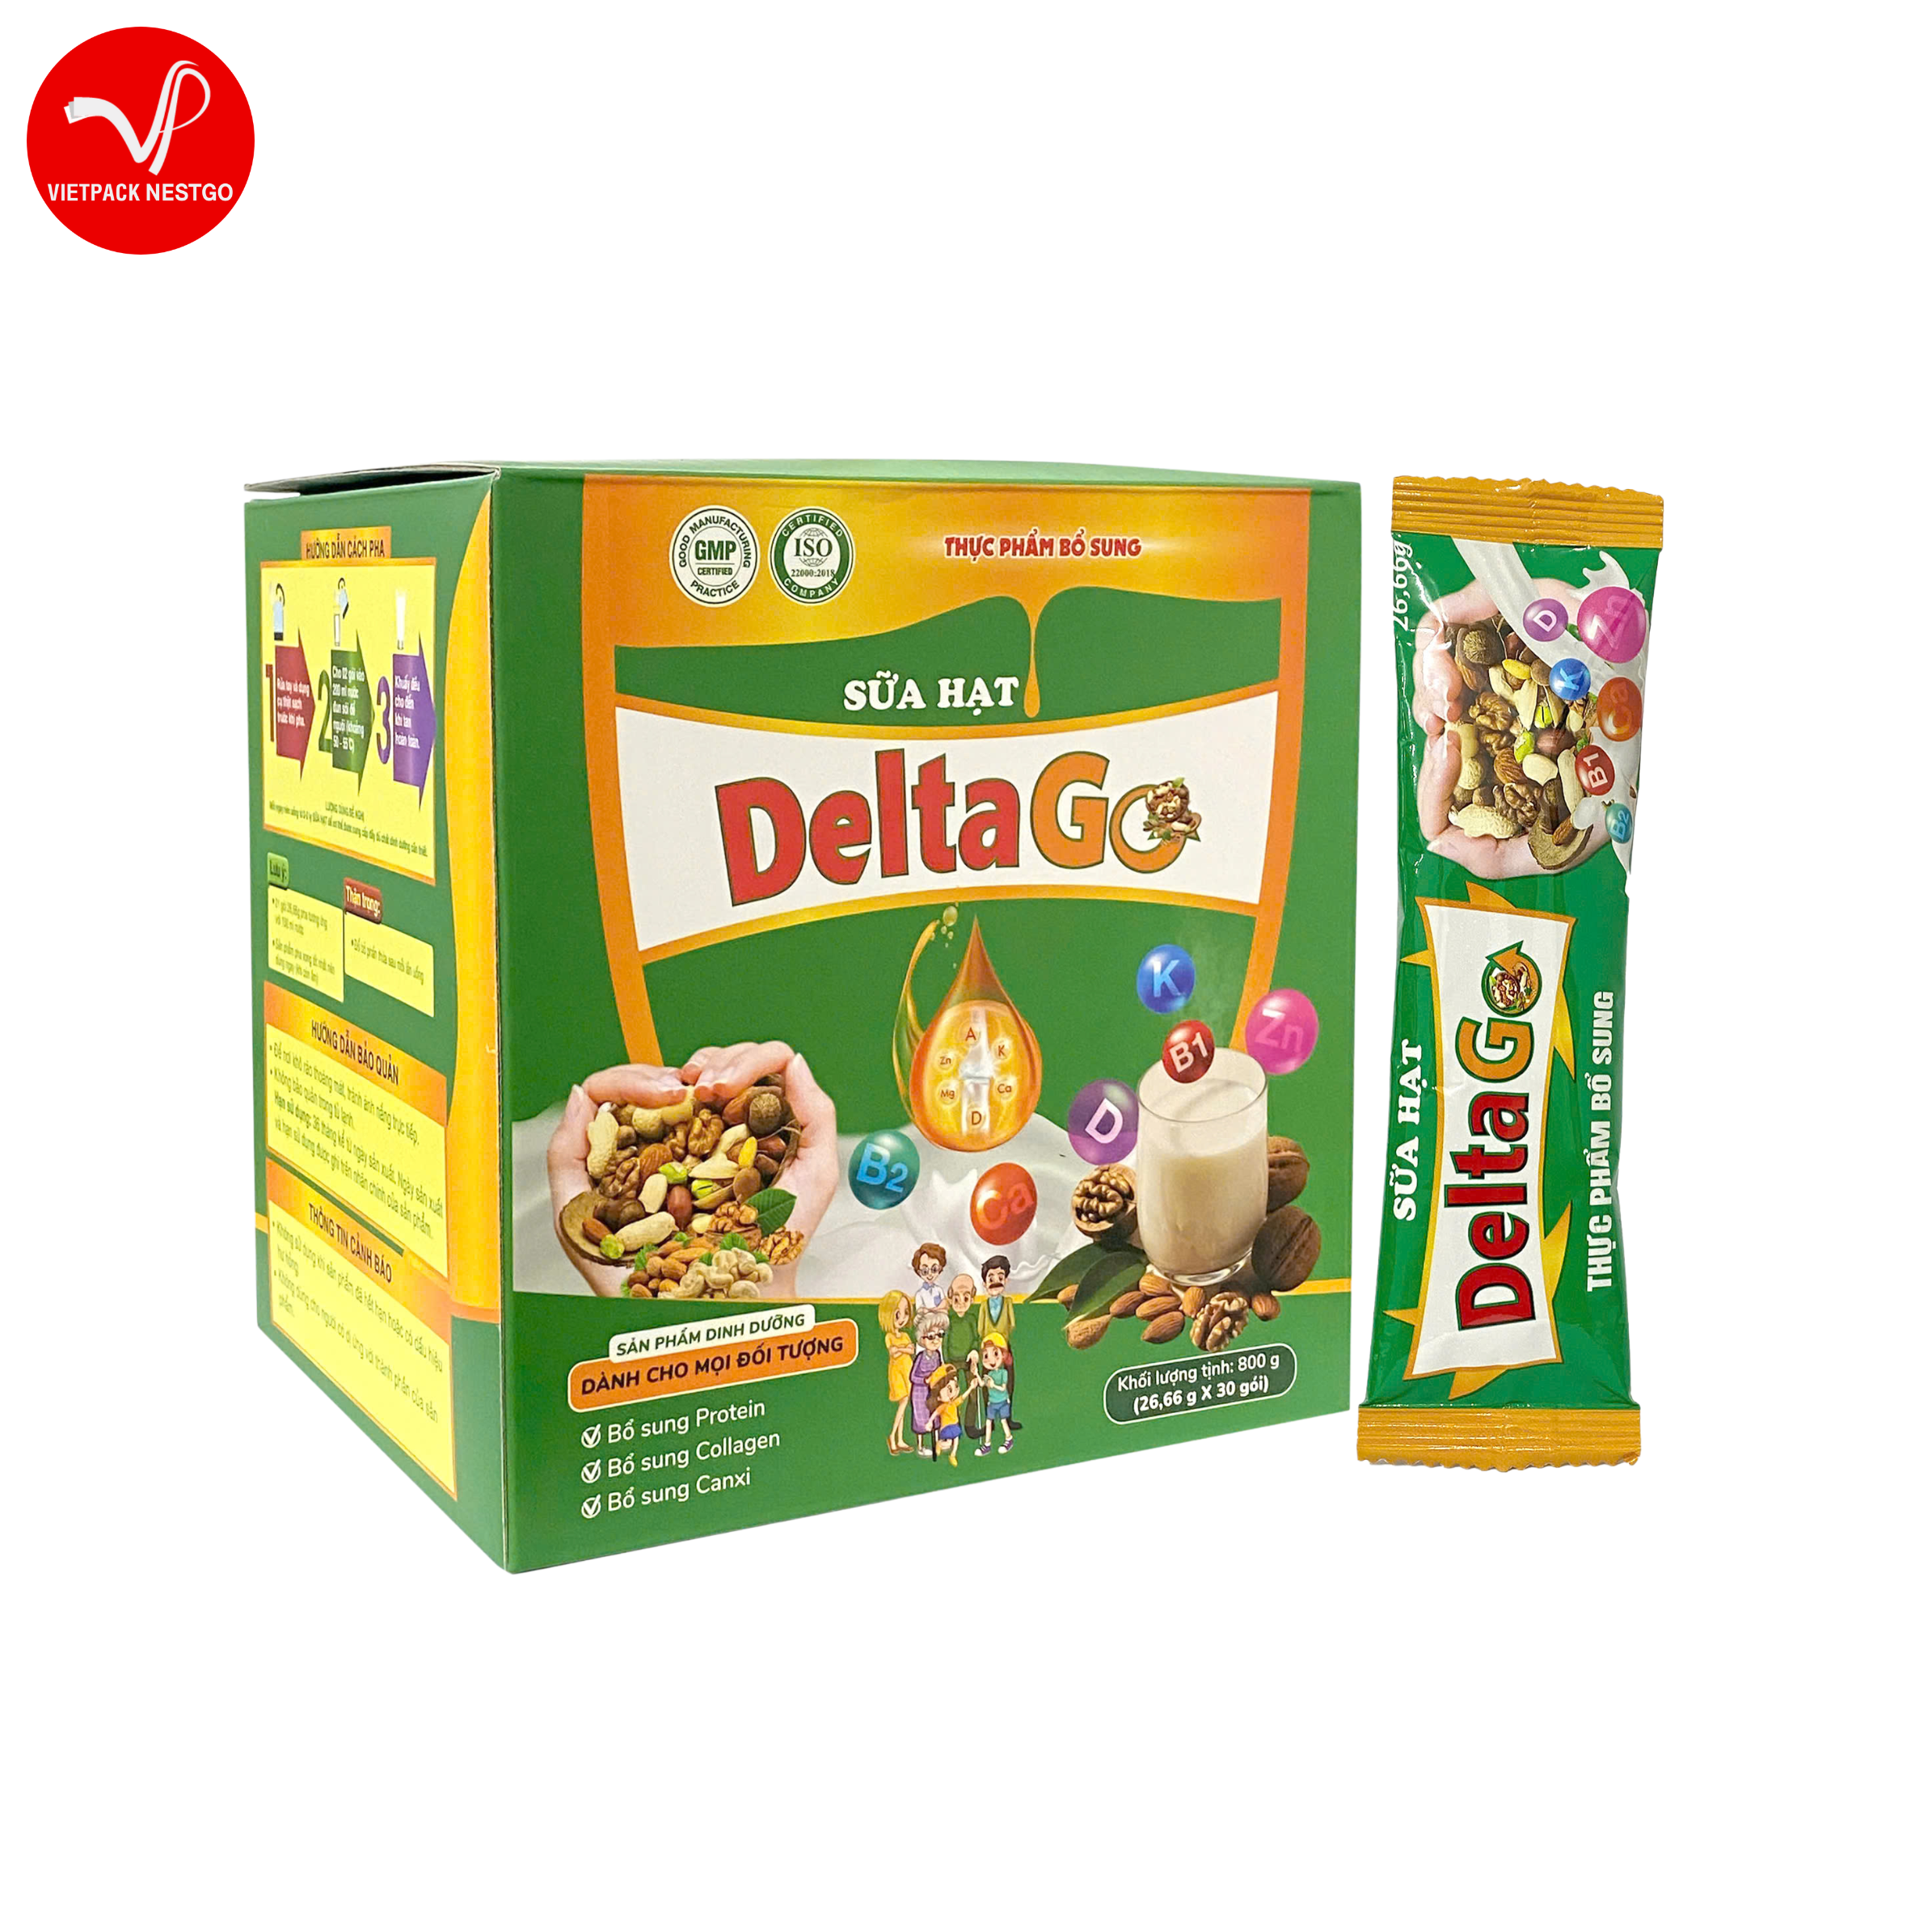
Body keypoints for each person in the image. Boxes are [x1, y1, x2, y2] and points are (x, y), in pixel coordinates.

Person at [977, 1254, 1022, 1432]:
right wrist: (990, 1342)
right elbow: (980, 1328)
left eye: (1000, 1278)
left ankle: (1007, 1417)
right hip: (987, 1347)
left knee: (1009, 1380)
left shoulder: (1008, 1302)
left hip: (1004, 1346)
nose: (996, 1282)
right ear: (984, 1283)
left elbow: (1012, 1324)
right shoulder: (983, 1305)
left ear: (1006, 1280)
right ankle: (989, 1419)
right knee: (986, 1381)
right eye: (991, 1278)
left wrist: (1002, 1341)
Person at [943, 1273, 985, 1438]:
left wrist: (975, 1351)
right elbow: (945, 1342)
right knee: (953, 1394)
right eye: (956, 1299)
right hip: (952, 1361)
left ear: (972, 1299)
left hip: (969, 1361)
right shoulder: (949, 1320)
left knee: (973, 1393)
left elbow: (976, 1338)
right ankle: (955, 1425)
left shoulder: (972, 1319)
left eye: (965, 1298)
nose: (960, 1303)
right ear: (951, 1299)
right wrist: (946, 1363)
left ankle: (970, 1426)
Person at [879, 1290, 916, 1455]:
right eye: (898, 1314)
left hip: (908, 1370)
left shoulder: (905, 1335)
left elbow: (911, 1349)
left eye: (906, 1313)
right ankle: (892, 1436)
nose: (902, 1318)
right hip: (897, 1372)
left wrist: (901, 1349)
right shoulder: (889, 1336)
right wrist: (903, 1349)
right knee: (903, 1401)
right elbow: (893, 1353)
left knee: (905, 1403)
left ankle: (900, 1439)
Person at [926, 1361, 980, 1468]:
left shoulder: (954, 1403)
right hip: (946, 1427)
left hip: (955, 1425)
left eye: (956, 1386)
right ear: (939, 1397)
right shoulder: (943, 1406)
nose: (954, 1391)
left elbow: (962, 1397)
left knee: (956, 1440)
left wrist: (971, 1388)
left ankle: (953, 1455)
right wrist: (930, 1422)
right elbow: (936, 1413)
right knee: (948, 1442)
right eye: (949, 1389)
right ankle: (939, 1444)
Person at [909, 1310, 947, 1459]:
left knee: (935, 1417)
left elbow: (941, 1370)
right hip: (920, 1393)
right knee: (921, 1419)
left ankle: (936, 1443)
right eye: (931, 1336)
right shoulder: (920, 1357)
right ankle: (920, 1446)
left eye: (940, 1335)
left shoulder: (937, 1355)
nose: (936, 1340)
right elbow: (912, 1376)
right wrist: (924, 1380)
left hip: (934, 1392)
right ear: (922, 1339)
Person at [975, 1332, 1015, 1456]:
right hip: (992, 1402)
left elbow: (1003, 1388)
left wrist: (993, 1385)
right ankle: (987, 1445)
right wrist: (976, 1375)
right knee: (988, 1422)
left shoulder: (1003, 1373)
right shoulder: (990, 1374)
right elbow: (982, 1384)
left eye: (995, 1354)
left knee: (1003, 1421)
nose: (991, 1360)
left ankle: (1009, 1439)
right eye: (986, 1356)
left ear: (1003, 1355)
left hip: (1002, 1401)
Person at [910, 1242, 949, 1313]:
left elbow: (944, 1302)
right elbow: (919, 1310)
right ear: (919, 1272)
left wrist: (937, 1309)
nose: (930, 1274)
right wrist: (927, 1311)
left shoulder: (939, 1290)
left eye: (934, 1269)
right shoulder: (919, 1294)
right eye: (925, 1271)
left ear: (940, 1268)